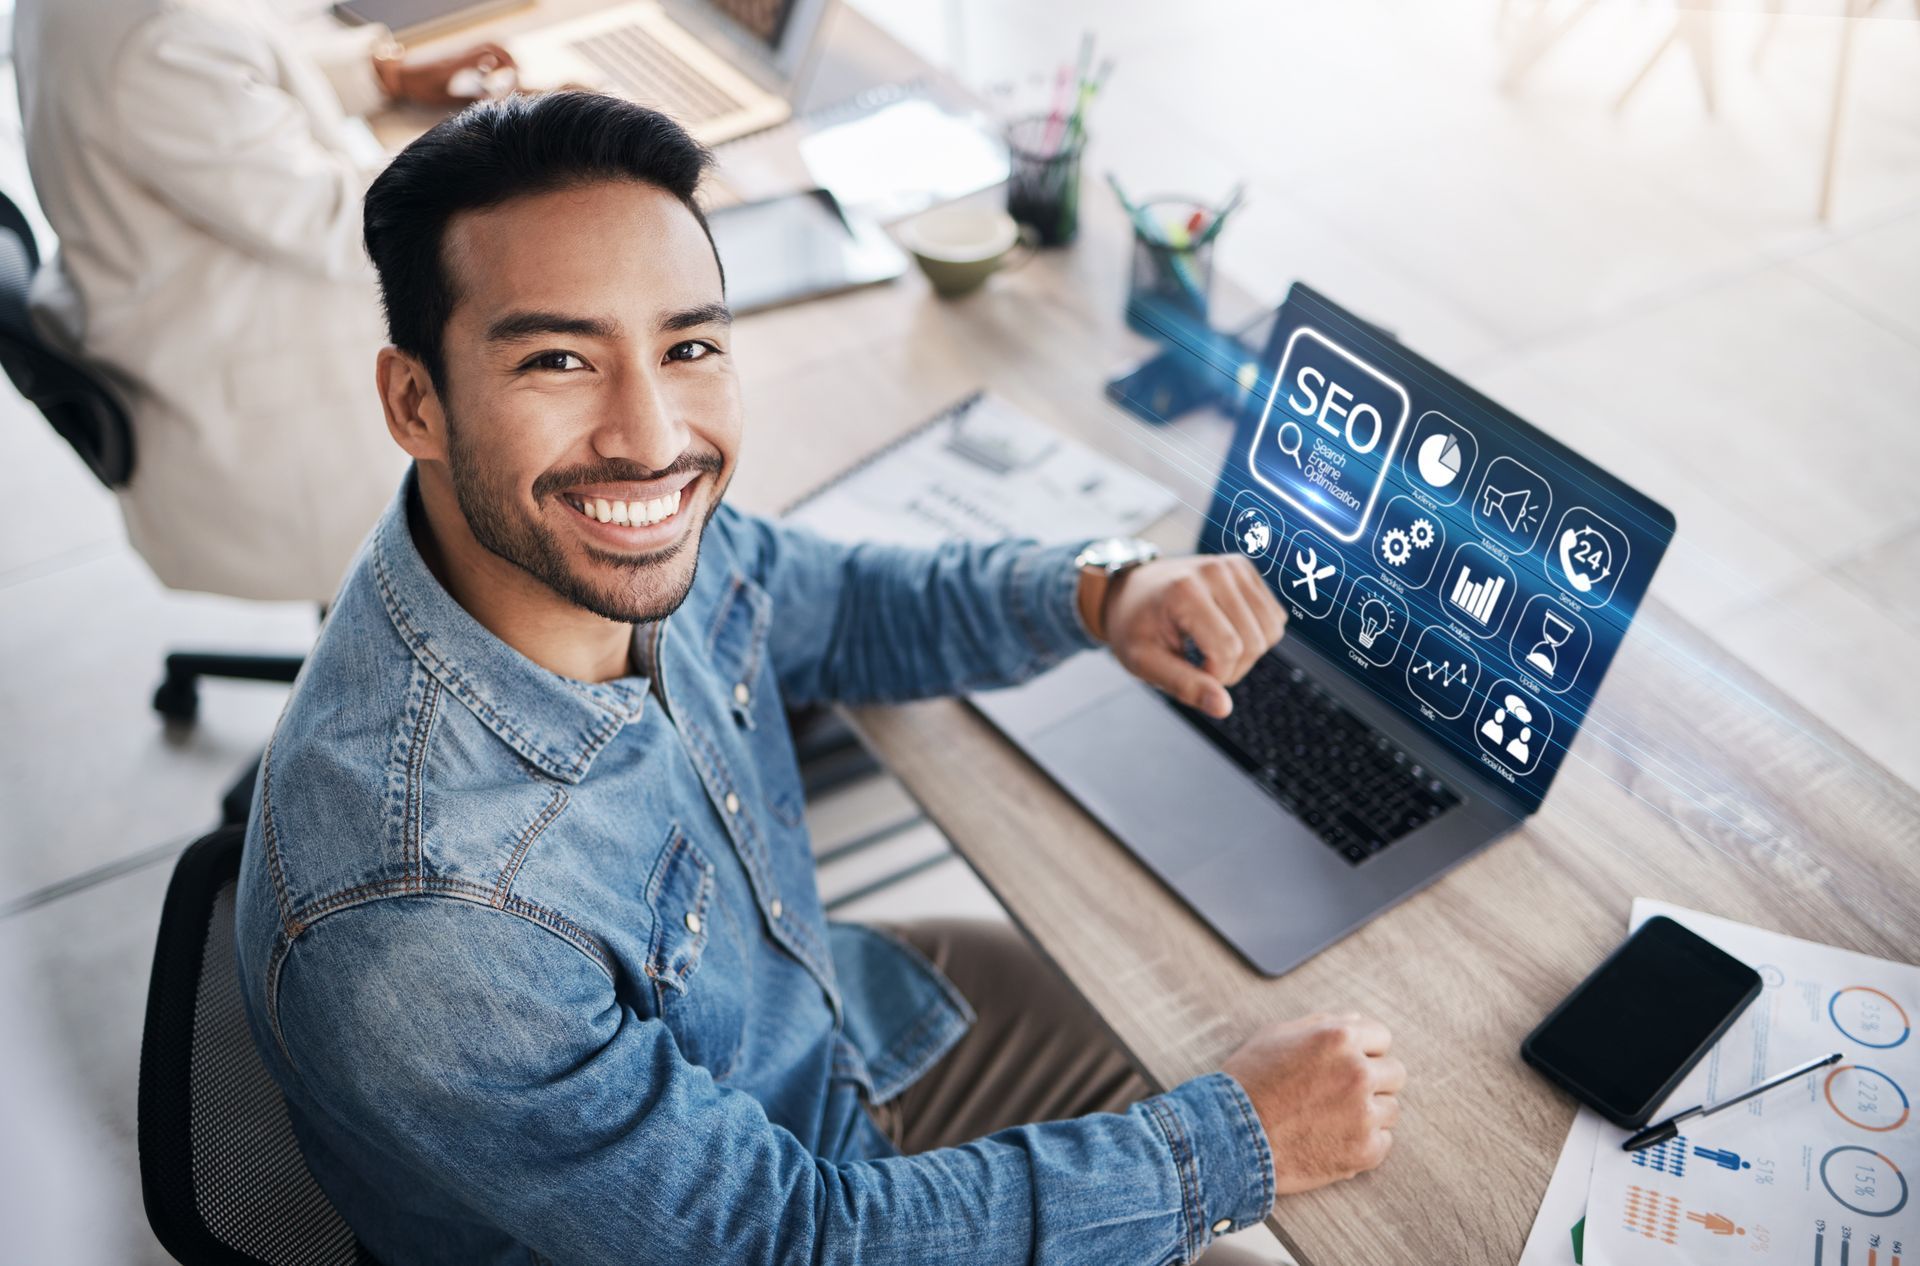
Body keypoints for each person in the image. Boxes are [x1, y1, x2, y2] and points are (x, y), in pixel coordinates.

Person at [234, 91, 1404, 1265]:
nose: (650, 437)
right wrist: (1231, 1144)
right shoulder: (435, 919)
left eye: (688, 347)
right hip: (795, 1212)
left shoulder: (583, 551)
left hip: (818, 1037)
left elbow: (832, 601)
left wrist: (1101, 590)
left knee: (1193, 1037)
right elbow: (795, 1243)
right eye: (558, 359)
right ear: (414, 401)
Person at [13, 0, 514, 601]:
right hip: (272, 420)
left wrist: (381, 75)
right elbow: (343, 221)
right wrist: (518, 145)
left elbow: (229, 84)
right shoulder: (161, 39)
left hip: (177, 326)